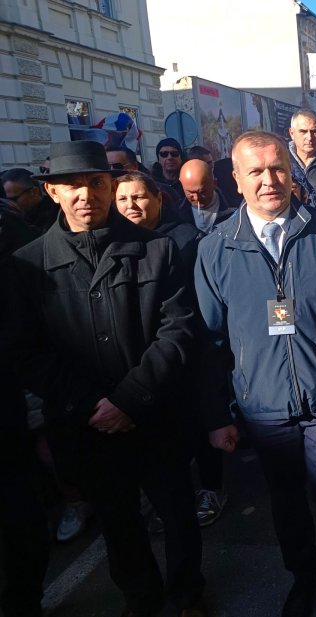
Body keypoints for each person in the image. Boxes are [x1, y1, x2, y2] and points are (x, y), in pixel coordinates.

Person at [7, 140, 206, 617]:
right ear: (52, 192)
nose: (84, 195)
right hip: (85, 426)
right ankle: (141, 598)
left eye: (95, 183)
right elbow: (26, 352)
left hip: (157, 417)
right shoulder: (26, 265)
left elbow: (178, 331)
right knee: (118, 524)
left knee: (179, 517)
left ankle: (187, 597)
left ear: (110, 184)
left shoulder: (157, 249)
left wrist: (131, 399)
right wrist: (93, 405)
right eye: (70, 186)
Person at [195, 131, 316, 617]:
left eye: (276, 168)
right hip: (264, 406)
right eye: (254, 172)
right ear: (236, 180)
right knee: (288, 505)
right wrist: (218, 414)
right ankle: (303, 577)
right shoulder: (216, 248)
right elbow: (208, 342)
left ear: (291, 172)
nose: (268, 181)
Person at [113, 172, 227, 527]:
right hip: (147, 355)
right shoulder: (115, 242)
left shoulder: (186, 239)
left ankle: (211, 487)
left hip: (191, 347)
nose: (132, 206)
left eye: (139, 197)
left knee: (198, 423)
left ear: (159, 199)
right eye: (123, 200)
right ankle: (170, 499)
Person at [0, 194, 48, 617]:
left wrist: (40, 421)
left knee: (19, 525)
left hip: (8, 417)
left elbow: (27, 346)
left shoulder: (14, 256)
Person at [177, 159, 236, 234]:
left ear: (214, 183)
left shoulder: (234, 210)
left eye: (202, 192)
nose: (196, 198)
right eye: (190, 193)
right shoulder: (176, 214)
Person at [1, 168, 59, 233]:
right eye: (3, 200)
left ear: (34, 192)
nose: (8, 204)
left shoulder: (57, 215)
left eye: (12, 199)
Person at [153, 137, 186, 203]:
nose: (170, 157)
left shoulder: (188, 182)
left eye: (174, 154)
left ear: (181, 158)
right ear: (158, 159)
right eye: (164, 154)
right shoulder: (152, 184)